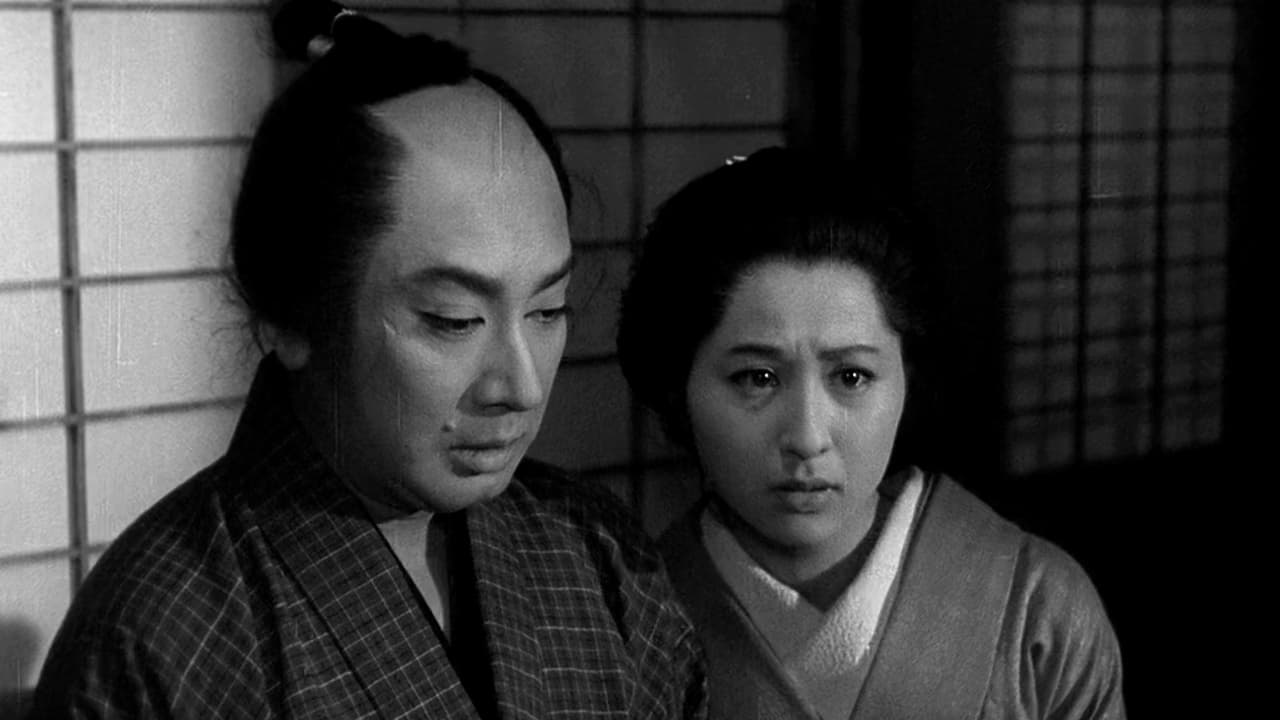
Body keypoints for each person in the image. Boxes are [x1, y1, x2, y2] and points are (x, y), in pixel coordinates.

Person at [32, 3, 705, 717]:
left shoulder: (597, 554)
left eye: (547, 310)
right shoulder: (159, 635)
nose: (522, 385)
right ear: (291, 316)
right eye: (453, 319)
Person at [616, 147, 1125, 720]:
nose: (808, 437)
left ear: (908, 376)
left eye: (852, 377)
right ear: (678, 385)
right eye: (757, 378)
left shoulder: (1040, 608)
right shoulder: (629, 617)